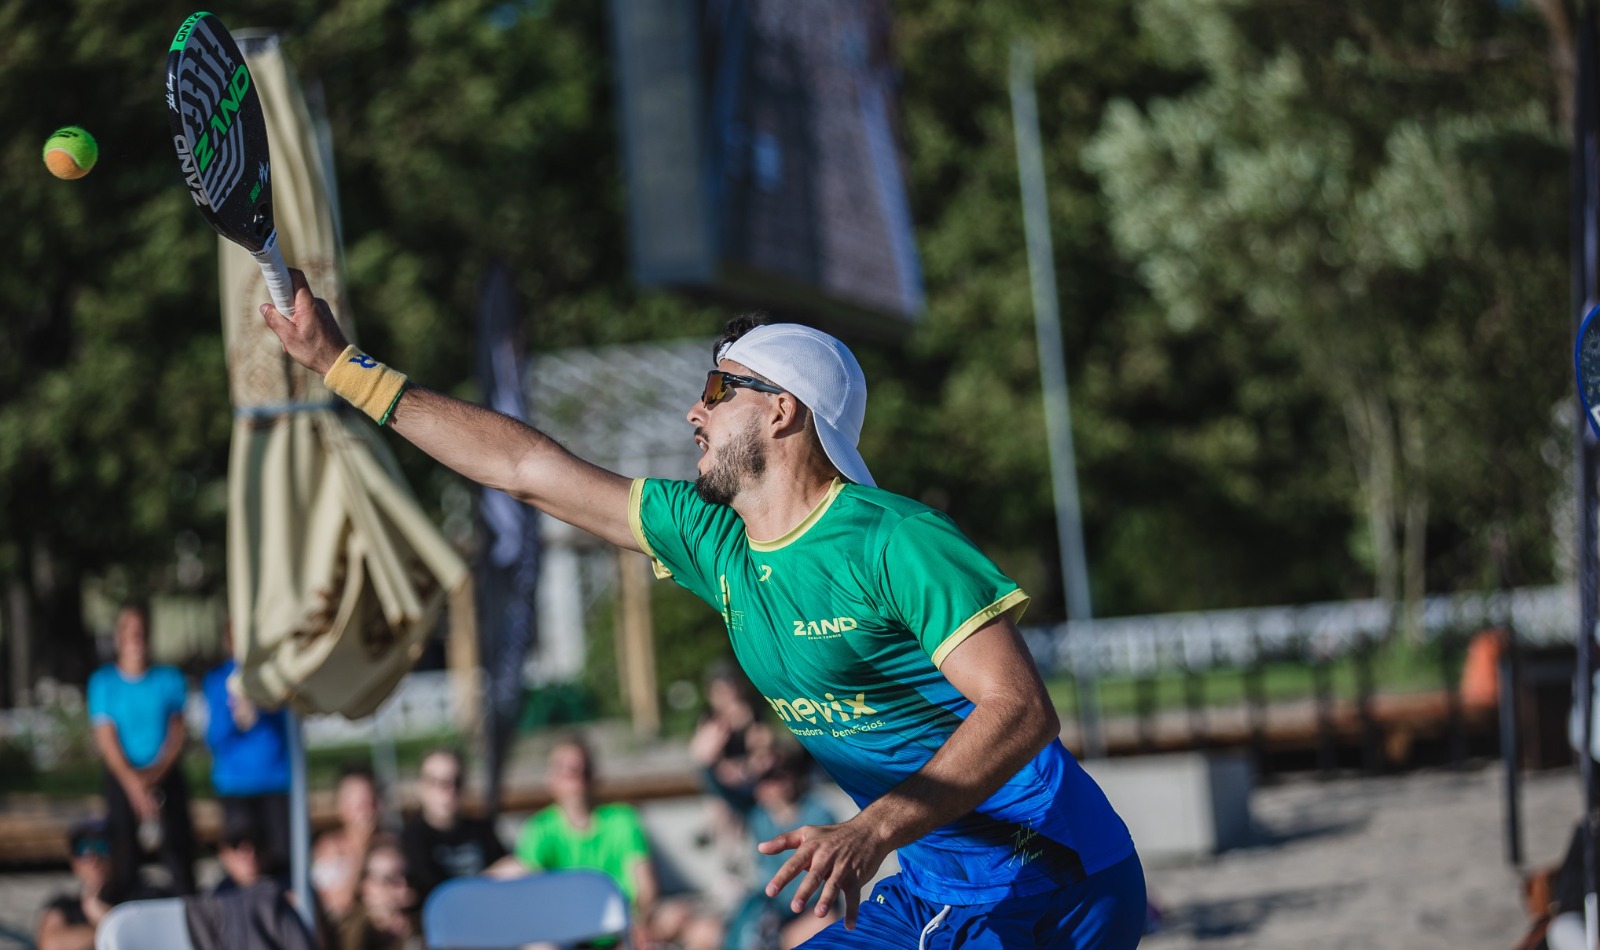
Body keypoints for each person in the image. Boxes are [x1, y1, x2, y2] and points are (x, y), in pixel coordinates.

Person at [262, 273, 1145, 947]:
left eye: (720, 390)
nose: (695, 410)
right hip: (936, 876)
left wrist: (871, 829)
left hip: (1051, 881)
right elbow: (525, 469)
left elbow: (1021, 711)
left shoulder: (894, 540)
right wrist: (348, 368)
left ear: (783, 409)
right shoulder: (711, 539)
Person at [88, 600, 198, 896]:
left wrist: (153, 777)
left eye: (141, 630)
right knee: (123, 856)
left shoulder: (169, 679)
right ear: (119, 636)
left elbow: (177, 734)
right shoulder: (104, 683)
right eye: (129, 630)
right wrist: (134, 785)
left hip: (164, 774)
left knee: (179, 854)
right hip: (122, 776)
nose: (136, 638)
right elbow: (107, 739)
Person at [512, 733, 658, 941]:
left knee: (697, 927)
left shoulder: (622, 819)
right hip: (566, 937)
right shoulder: (539, 829)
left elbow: (645, 885)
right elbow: (526, 885)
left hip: (624, 930)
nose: (574, 775)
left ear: (593, 775)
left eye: (580, 769)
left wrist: (639, 925)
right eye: (564, 769)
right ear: (550, 779)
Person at [203, 620, 291, 877]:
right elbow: (214, 736)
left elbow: (289, 724)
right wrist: (236, 720)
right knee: (244, 861)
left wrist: (264, 709)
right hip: (235, 784)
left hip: (275, 779)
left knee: (280, 858)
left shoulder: (275, 674)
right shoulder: (219, 679)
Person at [726, 752, 839, 950]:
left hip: (810, 907)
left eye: (778, 776)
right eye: (764, 780)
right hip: (773, 908)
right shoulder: (757, 818)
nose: (772, 786)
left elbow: (821, 880)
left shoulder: (818, 814)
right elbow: (723, 787)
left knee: (824, 923)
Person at [690, 668, 778, 870]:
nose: (728, 698)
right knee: (721, 807)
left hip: (752, 779)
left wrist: (748, 767)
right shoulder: (713, 721)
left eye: (731, 691)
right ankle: (729, 863)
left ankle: (734, 858)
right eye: (721, 693)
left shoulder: (752, 716)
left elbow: (764, 749)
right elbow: (703, 756)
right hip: (725, 784)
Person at [400, 747, 514, 901]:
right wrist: (489, 877)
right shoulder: (410, 839)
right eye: (439, 783)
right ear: (422, 787)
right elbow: (436, 894)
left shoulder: (482, 829)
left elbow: (509, 869)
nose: (449, 791)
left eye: (457, 782)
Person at [34, 818, 155, 950]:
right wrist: (108, 925)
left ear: (118, 854)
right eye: (82, 848)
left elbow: (150, 941)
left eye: (101, 846)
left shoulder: (143, 897)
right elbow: (52, 945)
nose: (93, 857)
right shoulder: (65, 905)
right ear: (74, 862)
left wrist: (104, 916)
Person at [313, 764, 387, 925]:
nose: (367, 809)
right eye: (359, 803)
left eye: (371, 799)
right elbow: (339, 906)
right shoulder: (329, 849)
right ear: (341, 806)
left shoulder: (390, 843)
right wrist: (362, 848)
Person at [336, 835, 422, 950]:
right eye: (390, 878)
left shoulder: (425, 924)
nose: (404, 884)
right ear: (366, 887)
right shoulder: (344, 931)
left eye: (407, 876)